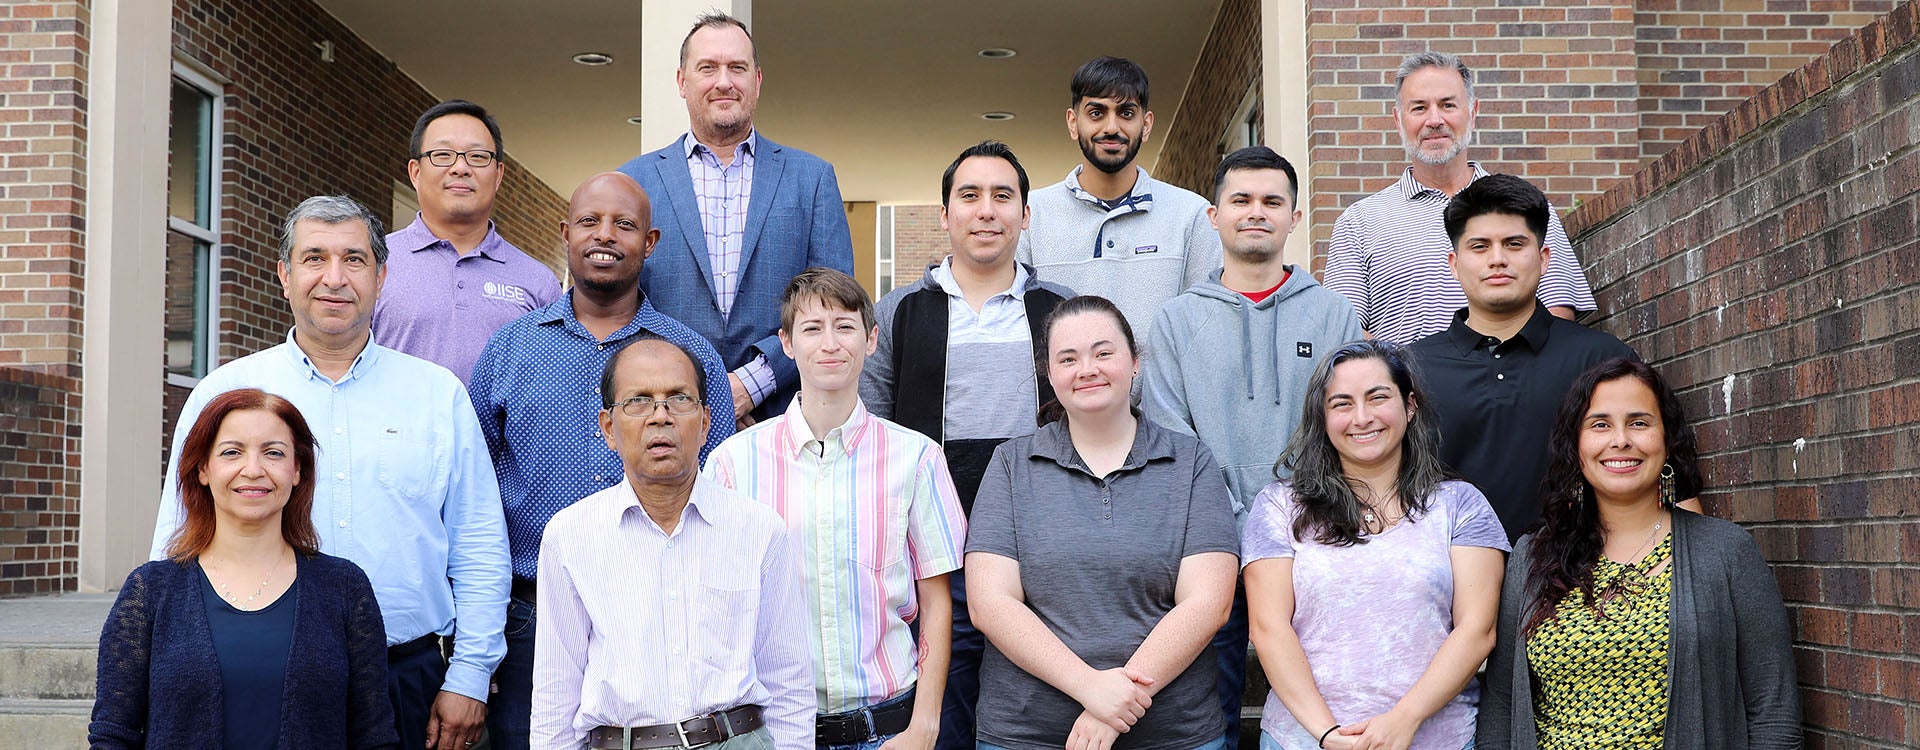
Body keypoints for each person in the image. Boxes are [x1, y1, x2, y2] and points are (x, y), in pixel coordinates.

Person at [150, 196, 508, 750]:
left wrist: (471, 674)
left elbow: (479, 542)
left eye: (354, 259)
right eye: (314, 258)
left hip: (407, 677)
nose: (334, 278)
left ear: (382, 275)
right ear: (284, 275)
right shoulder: (224, 394)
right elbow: (179, 539)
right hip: (256, 673)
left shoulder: (438, 395)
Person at [468, 172, 735, 750]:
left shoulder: (689, 356)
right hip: (530, 624)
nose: (605, 235)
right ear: (565, 233)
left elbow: (720, 490)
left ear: (651, 241)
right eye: (589, 221)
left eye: (625, 224)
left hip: (664, 615)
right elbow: (473, 501)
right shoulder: (510, 350)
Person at [1143, 145, 1364, 747]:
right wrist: (1237, 521)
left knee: (1319, 696)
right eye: (1240, 200)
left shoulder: (1337, 316)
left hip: (1316, 534)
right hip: (1206, 541)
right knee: (1206, 708)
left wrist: (1289, 518)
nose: (1256, 212)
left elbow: (1346, 425)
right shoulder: (1174, 320)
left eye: (1272, 201)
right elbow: (1170, 431)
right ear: (1214, 216)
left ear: (1295, 216)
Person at [858, 140, 1074, 750]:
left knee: (1036, 700)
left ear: (1025, 215)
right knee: (946, 695)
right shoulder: (899, 313)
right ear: (946, 212)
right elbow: (874, 431)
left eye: (1003, 197)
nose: (986, 210)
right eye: (970, 196)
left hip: (1039, 540)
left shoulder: (1060, 311)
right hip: (934, 543)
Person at [706, 267, 968, 749]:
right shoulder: (732, 465)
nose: (830, 343)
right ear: (786, 344)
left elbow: (935, 601)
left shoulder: (916, 458)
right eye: (812, 328)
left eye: (845, 326)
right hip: (773, 731)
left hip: (888, 728)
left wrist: (925, 725)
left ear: (870, 340)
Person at [1477, 358, 1800, 749]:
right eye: (1600, 425)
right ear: (1575, 446)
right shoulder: (1533, 558)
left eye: (1639, 423)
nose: (1620, 441)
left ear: (1667, 441)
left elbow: (1774, 711)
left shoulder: (1726, 552)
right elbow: (1501, 704)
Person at [966, 295, 1239, 750]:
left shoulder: (1190, 462)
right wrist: (1091, 689)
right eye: (1068, 359)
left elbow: (1208, 603)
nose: (1087, 368)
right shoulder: (1012, 464)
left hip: (1172, 735)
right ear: (1050, 375)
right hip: (1027, 734)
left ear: (1134, 362)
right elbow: (990, 602)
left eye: (1103, 352)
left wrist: (1114, 710)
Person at [530, 334, 815, 749]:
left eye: (679, 399)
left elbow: (789, 684)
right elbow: (556, 696)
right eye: (638, 400)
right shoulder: (571, 536)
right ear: (608, 427)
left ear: (704, 423)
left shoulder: (757, 529)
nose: (660, 416)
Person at [1241, 341, 1508, 750]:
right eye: (1342, 404)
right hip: (1301, 739)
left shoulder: (1460, 505)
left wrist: (1404, 720)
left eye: (1378, 397)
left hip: (1433, 739)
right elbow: (1268, 627)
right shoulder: (1279, 505)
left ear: (1410, 405)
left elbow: (1477, 630)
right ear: (1323, 417)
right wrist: (1327, 735)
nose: (1362, 417)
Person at [95, 388, 397, 749]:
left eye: (273, 453)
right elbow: (113, 735)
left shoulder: (345, 588)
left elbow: (374, 737)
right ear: (204, 468)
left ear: (297, 470)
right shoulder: (151, 591)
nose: (253, 470)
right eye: (232, 452)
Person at [617, 11, 855, 425]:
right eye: (707, 68)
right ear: (681, 81)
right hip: (662, 418)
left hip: (782, 419)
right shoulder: (633, 183)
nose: (723, 81)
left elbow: (836, 304)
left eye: (737, 68)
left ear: (757, 81)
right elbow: (619, 305)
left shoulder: (812, 179)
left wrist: (752, 384)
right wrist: (694, 391)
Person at [1407, 174, 1647, 542]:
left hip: (1575, 580)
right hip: (1449, 584)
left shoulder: (1601, 358)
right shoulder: (1411, 370)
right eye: (1480, 247)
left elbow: (1662, 474)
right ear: (1454, 264)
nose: (1498, 259)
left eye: (1514, 244)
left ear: (1544, 258)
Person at [1324, 51, 1596, 345]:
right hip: (1407, 388)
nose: (1434, 120)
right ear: (1398, 120)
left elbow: (1557, 312)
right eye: (1418, 108)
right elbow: (1344, 331)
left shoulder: (1526, 207)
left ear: (1472, 111)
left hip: (1510, 387)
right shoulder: (1359, 222)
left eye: (1448, 105)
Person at [1017, 56, 1221, 338]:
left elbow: (1207, 327)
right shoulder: (1031, 215)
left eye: (1126, 113)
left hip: (1162, 385)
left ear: (1146, 125)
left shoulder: (1191, 213)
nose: (1111, 127)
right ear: (1073, 122)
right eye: (1097, 113)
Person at [372, 99, 563, 386]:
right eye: (443, 154)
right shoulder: (371, 262)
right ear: (415, 172)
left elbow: (550, 385)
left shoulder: (538, 282)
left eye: (477, 157)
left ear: (498, 175)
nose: (460, 168)